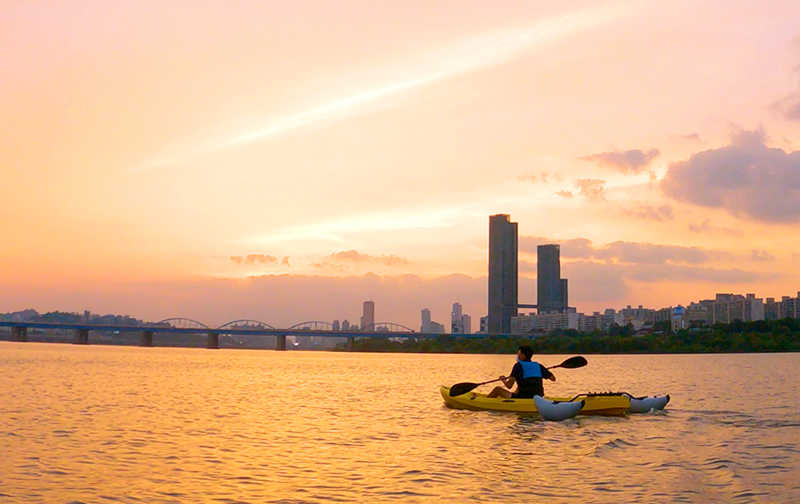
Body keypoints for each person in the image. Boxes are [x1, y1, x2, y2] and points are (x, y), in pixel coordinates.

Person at [484, 345, 555, 399]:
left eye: (518, 353)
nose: (517, 355)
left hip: (523, 397)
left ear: (523, 355)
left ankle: (485, 402)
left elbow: (509, 385)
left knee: (497, 390)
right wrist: (541, 372)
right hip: (538, 398)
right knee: (522, 384)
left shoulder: (518, 366)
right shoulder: (538, 366)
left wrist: (503, 380)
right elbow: (553, 378)